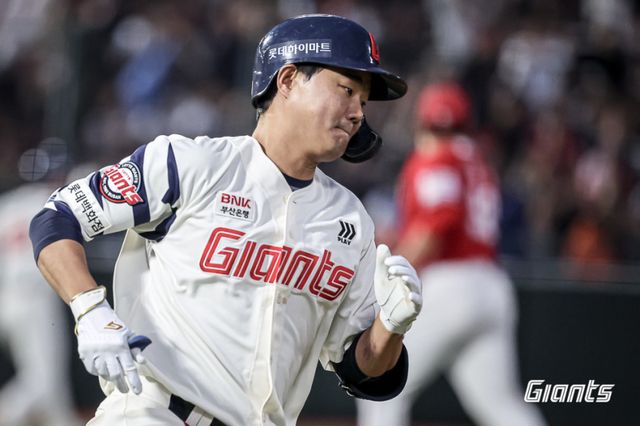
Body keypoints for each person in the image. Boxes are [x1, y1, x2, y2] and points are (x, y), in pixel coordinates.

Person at [29, 14, 422, 426]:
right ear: (288, 80)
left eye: (363, 102)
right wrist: (90, 310)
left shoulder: (350, 219)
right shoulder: (192, 164)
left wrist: (391, 324)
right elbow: (57, 217)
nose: (357, 113)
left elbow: (361, 371)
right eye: (347, 90)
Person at [356, 82, 547, 426]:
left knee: (376, 380)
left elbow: (434, 228)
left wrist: (389, 274)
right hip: (492, 284)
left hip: (450, 284)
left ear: (422, 122)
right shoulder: (477, 161)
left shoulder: (436, 158)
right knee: (501, 406)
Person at [0, 179, 83, 426]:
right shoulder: (52, 199)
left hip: (8, 300)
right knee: (43, 383)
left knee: (54, 390)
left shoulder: (7, 205)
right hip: (35, 301)